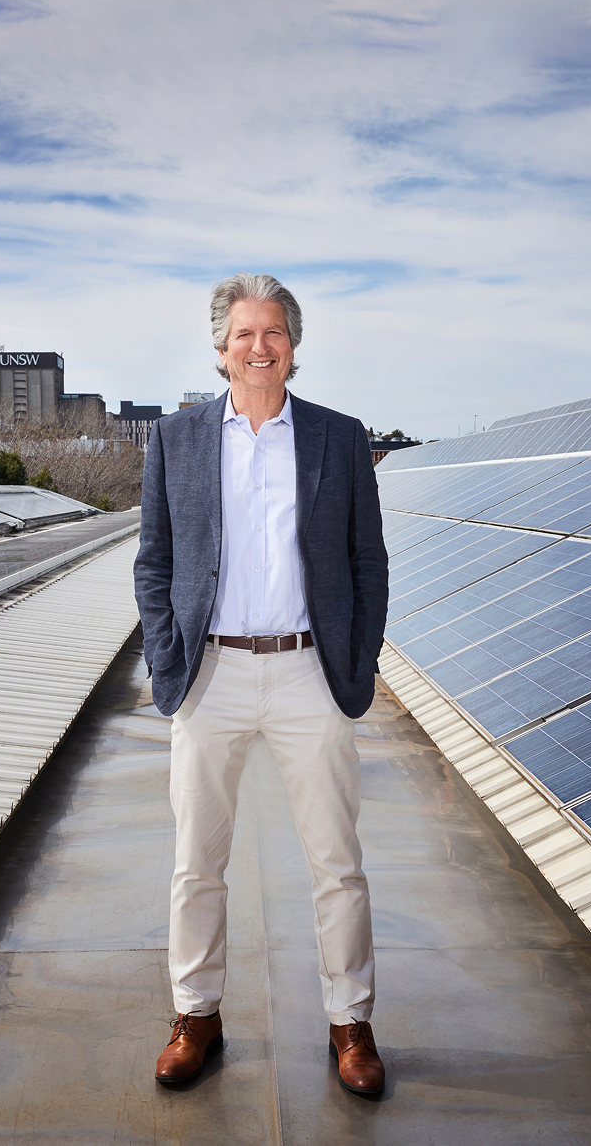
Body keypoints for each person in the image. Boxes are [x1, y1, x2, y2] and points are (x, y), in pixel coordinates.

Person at [134, 272, 389, 1095]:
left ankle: (351, 1024)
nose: (259, 345)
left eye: (273, 331)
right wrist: (170, 657)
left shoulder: (339, 439)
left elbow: (367, 562)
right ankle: (195, 1016)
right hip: (211, 674)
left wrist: (357, 656)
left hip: (311, 671)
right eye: (244, 332)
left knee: (337, 862)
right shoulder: (174, 439)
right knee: (195, 863)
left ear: (293, 345)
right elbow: (155, 563)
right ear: (220, 348)